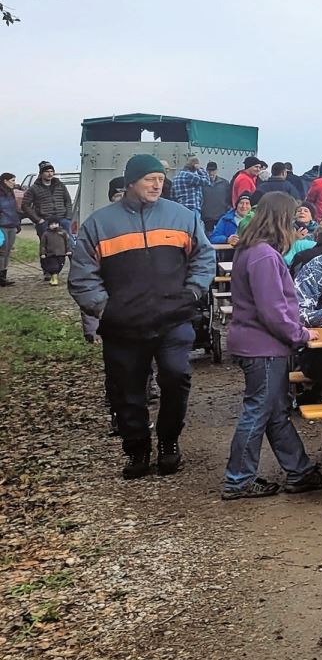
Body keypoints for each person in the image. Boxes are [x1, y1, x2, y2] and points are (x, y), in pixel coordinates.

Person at [68, 154, 215, 479]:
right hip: (123, 327)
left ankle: (168, 441)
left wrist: (192, 292)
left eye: (161, 178)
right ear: (131, 182)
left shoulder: (182, 217)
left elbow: (205, 257)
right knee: (128, 390)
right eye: (150, 178)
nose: (157, 184)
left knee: (176, 377)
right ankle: (136, 449)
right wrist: (106, 309)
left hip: (172, 320)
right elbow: (82, 275)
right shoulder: (100, 224)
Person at [221, 192, 322, 501]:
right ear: (282, 220)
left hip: (258, 344)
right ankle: (238, 480)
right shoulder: (264, 256)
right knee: (259, 411)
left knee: (274, 412)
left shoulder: (251, 250)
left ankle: (300, 471)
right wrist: (300, 334)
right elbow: (273, 310)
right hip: (264, 347)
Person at [22, 162, 74, 281]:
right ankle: (47, 271)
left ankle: (76, 269)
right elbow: (25, 205)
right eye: (47, 171)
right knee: (45, 245)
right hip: (44, 220)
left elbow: (67, 201)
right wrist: (37, 219)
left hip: (62, 218)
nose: (50, 174)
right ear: (41, 173)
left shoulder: (60, 185)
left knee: (70, 243)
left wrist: (68, 216)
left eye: (51, 171)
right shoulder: (34, 188)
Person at [0, 172, 19, 286]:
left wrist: (17, 223)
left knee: (7, 251)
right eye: (12, 180)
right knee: (2, 251)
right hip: (2, 225)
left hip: (11, 224)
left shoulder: (11, 193)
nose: (14, 183)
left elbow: (14, 209)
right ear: (5, 181)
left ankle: (4, 275)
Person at [200, 162, 231, 233]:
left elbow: (229, 198)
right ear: (206, 171)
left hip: (221, 218)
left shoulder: (225, 183)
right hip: (205, 218)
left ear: (217, 170)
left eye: (213, 170)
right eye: (209, 170)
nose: (211, 173)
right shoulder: (201, 183)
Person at [39, 219, 70, 285]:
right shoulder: (46, 234)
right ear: (49, 225)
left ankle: (53, 277)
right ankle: (55, 279)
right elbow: (42, 245)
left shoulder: (63, 232)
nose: (54, 225)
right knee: (54, 267)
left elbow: (67, 242)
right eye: (52, 224)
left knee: (60, 266)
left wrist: (68, 250)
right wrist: (43, 253)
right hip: (50, 254)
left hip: (61, 253)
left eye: (55, 224)